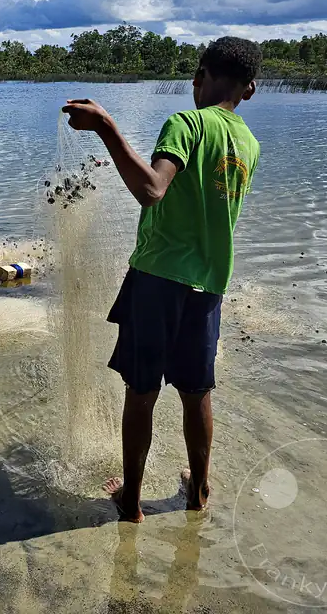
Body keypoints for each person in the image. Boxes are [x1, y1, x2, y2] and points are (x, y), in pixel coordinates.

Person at [63, 36, 263, 523]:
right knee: (197, 394)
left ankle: (130, 502)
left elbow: (152, 190)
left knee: (143, 391)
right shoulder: (249, 143)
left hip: (157, 279)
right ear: (250, 90)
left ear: (199, 77)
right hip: (209, 284)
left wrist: (106, 128)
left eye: (197, 76)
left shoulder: (187, 122)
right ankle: (197, 493)